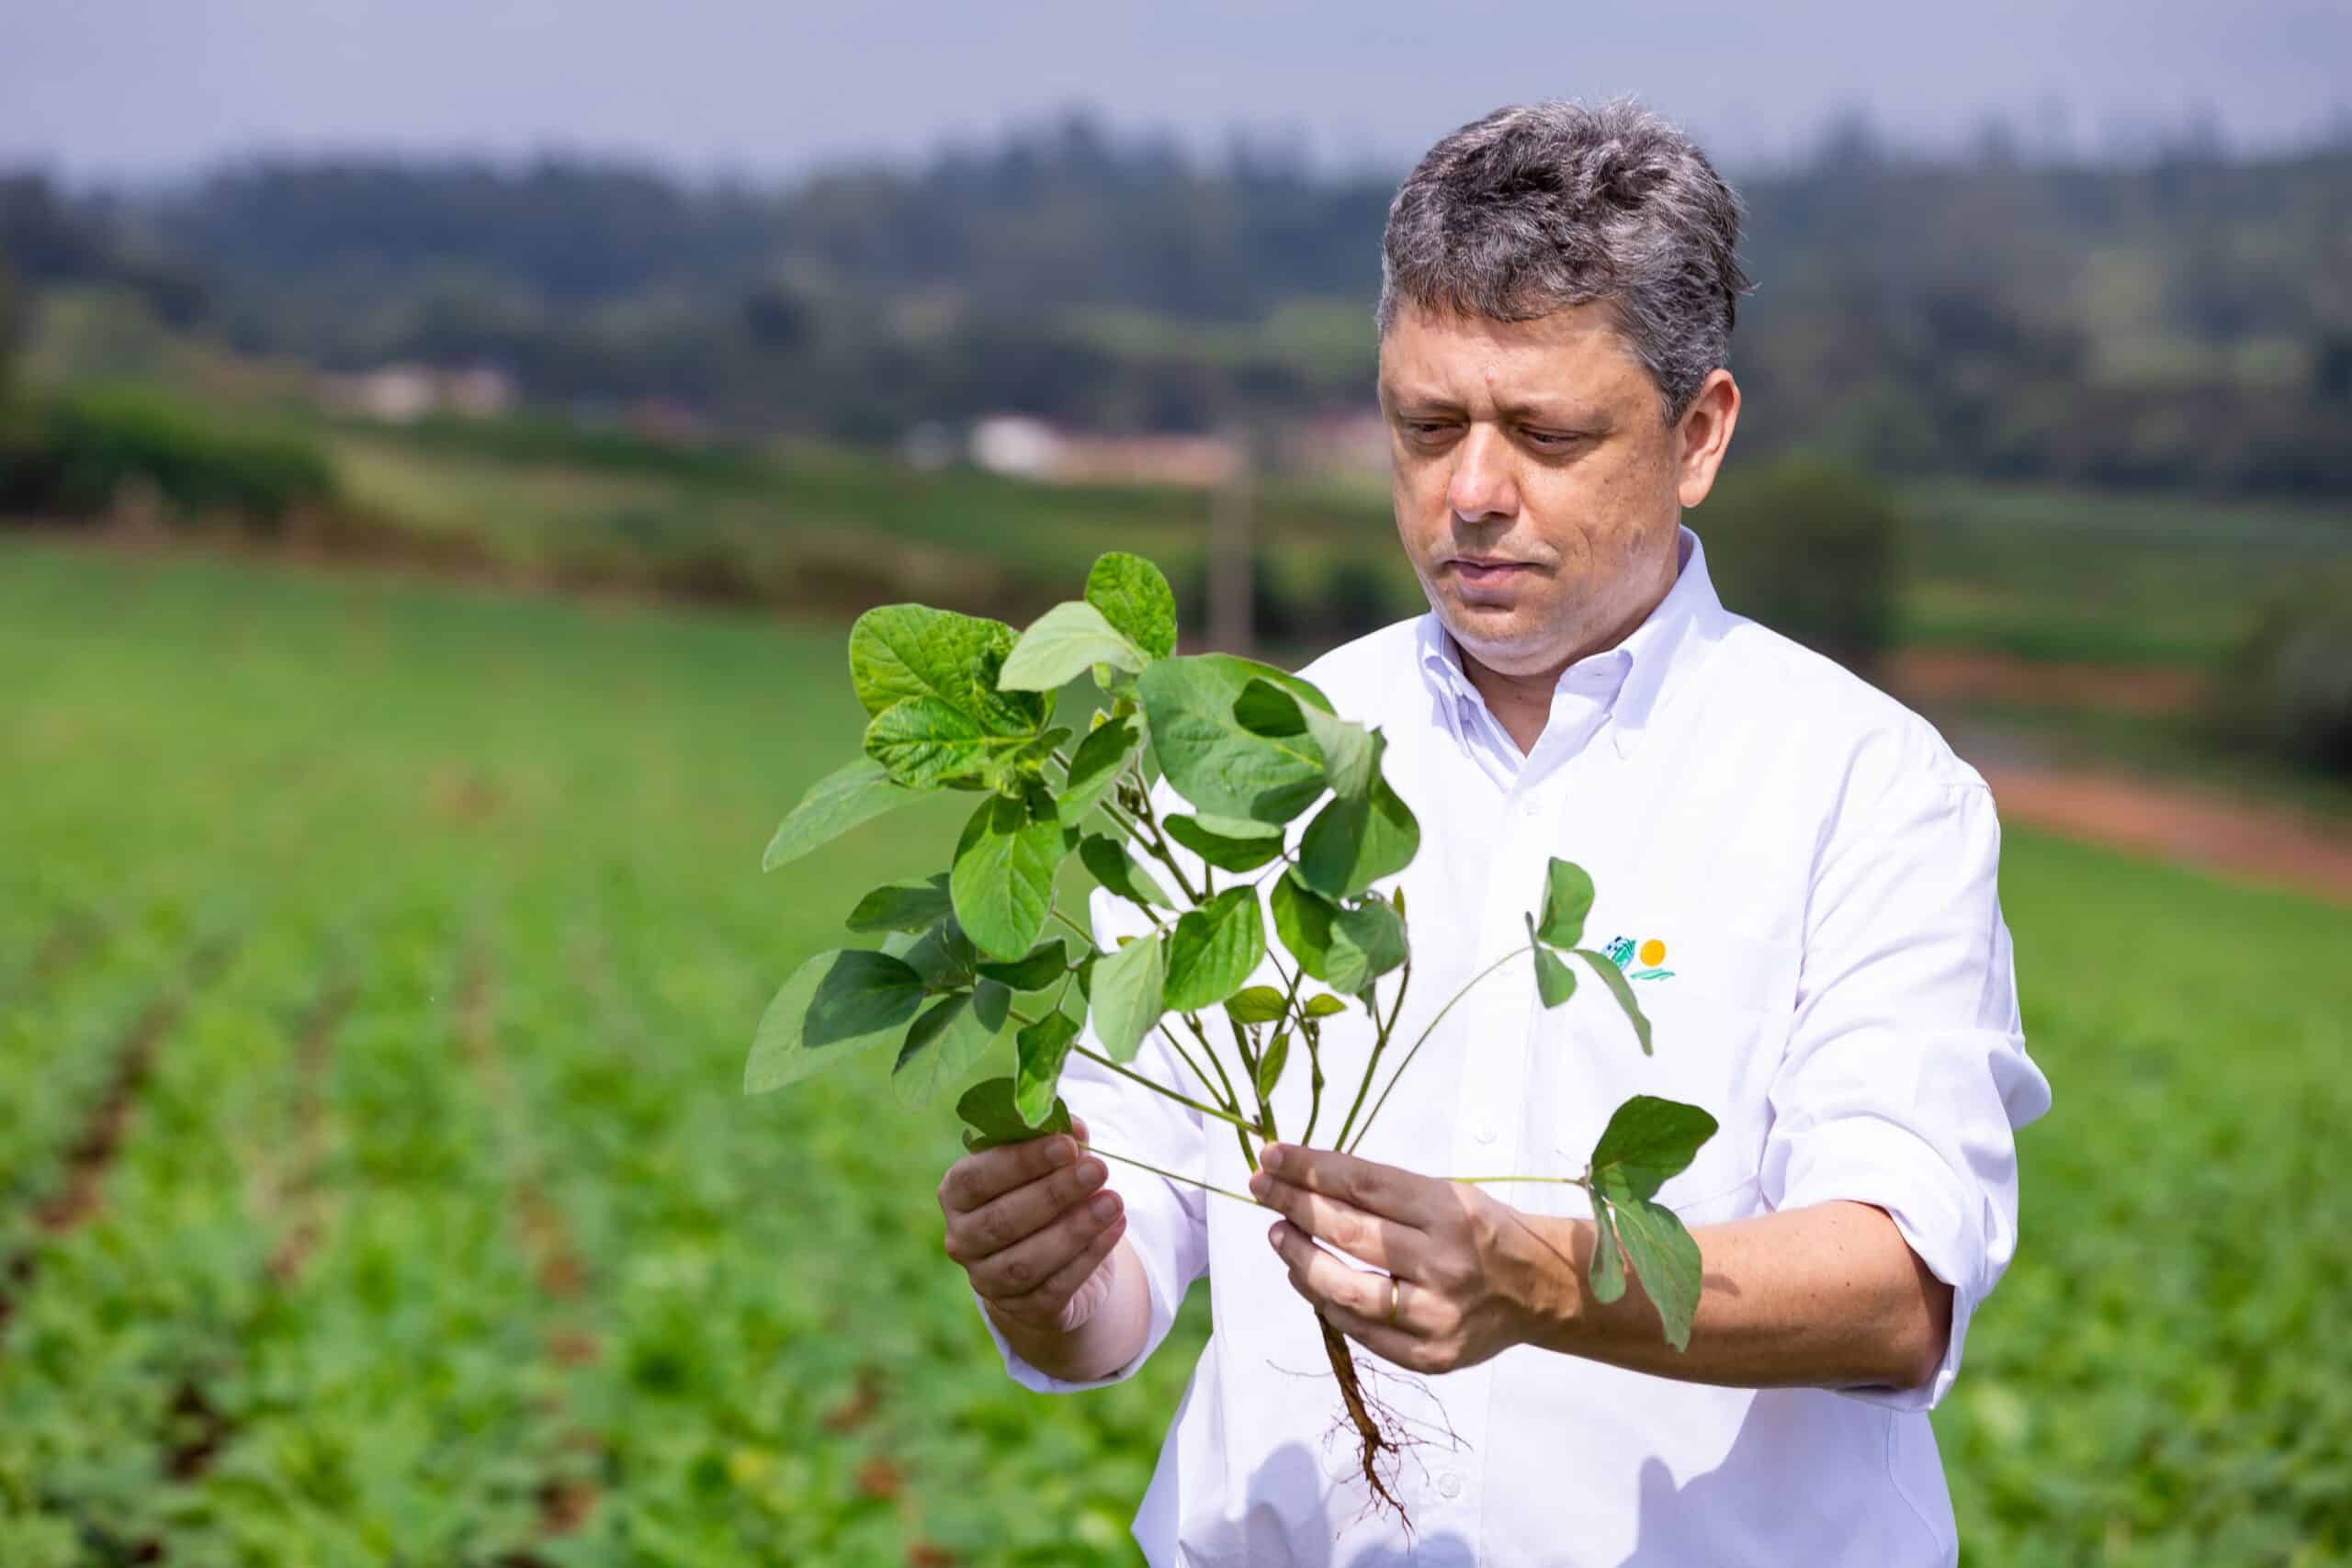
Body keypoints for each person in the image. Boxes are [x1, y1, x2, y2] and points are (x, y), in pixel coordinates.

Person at [935, 97, 2051, 1567]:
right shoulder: (1251, 759)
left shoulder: (1863, 787)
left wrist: (1545, 1277)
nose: (1471, 493)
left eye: (1544, 433)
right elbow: (1119, 1293)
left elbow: (1893, 1294)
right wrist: (1049, 1278)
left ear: (1699, 434)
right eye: (1425, 424)